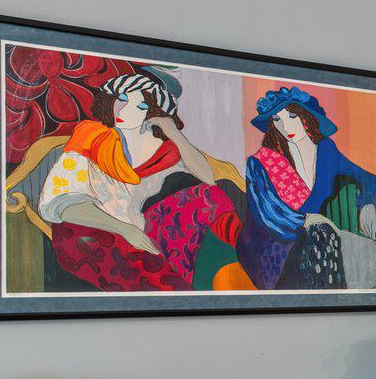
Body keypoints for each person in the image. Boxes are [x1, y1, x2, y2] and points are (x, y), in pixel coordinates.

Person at [38, 66, 241, 290]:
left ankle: (230, 279)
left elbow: (208, 180)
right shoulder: (90, 138)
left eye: (140, 106)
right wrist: (125, 229)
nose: (124, 110)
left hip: (145, 232)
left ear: (153, 113)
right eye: (122, 99)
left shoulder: (163, 149)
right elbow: (62, 204)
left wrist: (174, 132)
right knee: (165, 282)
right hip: (93, 231)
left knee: (208, 198)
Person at [237, 85, 376, 290]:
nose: (285, 126)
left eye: (292, 116)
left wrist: (368, 202)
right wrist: (306, 220)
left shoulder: (326, 150)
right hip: (273, 245)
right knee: (320, 234)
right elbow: (268, 213)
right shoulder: (260, 162)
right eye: (277, 119)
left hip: (319, 236)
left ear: (307, 116)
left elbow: (365, 178)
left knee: (362, 250)